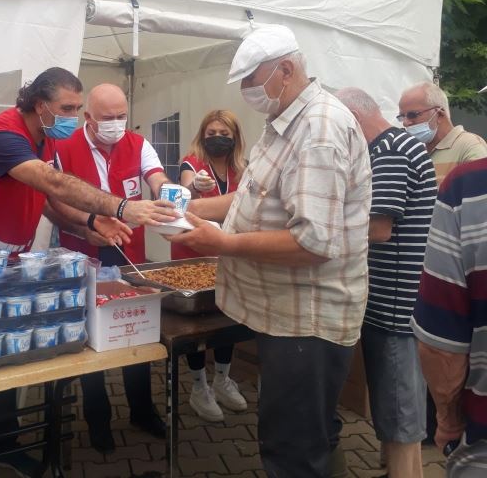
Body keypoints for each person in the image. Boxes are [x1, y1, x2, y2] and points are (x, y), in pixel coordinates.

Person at [0, 68, 177, 476]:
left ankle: (4, 444)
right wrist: (119, 207)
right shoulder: (3, 136)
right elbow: (53, 181)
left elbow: (48, 200)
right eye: (68, 108)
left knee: (4, 351)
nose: (73, 115)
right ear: (39, 105)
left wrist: (87, 224)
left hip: (7, 264)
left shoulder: (43, 137)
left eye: (78, 107)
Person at [170, 25, 372, 477]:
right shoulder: (284, 122)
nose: (246, 92)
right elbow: (253, 196)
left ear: (286, 69)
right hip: (286, 315)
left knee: (292, 448)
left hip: (307, 322)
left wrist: (224, 243)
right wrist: (192, 207)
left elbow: (314, 241)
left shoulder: (318, 129)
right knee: (311, 434)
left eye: (250, 80)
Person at [52, 83, 169, 453]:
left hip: (129, 253)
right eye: (108, 118)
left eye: (122, 117)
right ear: (88, 118)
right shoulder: (62, 149)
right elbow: (54, 202)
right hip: (83, 253)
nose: (116, 125)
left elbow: (156, 178)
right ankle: (97, 417)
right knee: (92, 340)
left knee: (135, 328)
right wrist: (90, 223)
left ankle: (141, 409)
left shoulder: (137, 144)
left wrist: (172, 193)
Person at [337, 87, 437, 478]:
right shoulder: (386, 149)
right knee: (396, 403)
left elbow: (377, 229)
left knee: (399, 408)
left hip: (397, 305)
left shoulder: (391, 152)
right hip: (389, 299)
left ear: (354, 119)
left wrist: (319, 235)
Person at [411, 156, 487, 477]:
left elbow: (442, 345)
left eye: (412, 115)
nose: (406, 121)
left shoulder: (467, 186)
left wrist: (449, 421)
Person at [172, 110, 247, 422]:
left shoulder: (240, 168)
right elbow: (185, 187)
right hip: (193, 252)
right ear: (203, 134)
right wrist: (194, 187)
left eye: (224, 133)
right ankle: (199, 386)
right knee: (197, 324)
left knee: (227, 318)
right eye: (212, 132)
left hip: (227, 253)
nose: (217, 138)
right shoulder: (193, 162)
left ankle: (223, 378)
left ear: (235, 137)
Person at [398, 82, 487, 185]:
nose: (405, 122)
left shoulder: (469, 146)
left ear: (439, 114)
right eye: (402, 117)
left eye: (412, 115)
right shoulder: (416, 153)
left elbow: (480, 197)